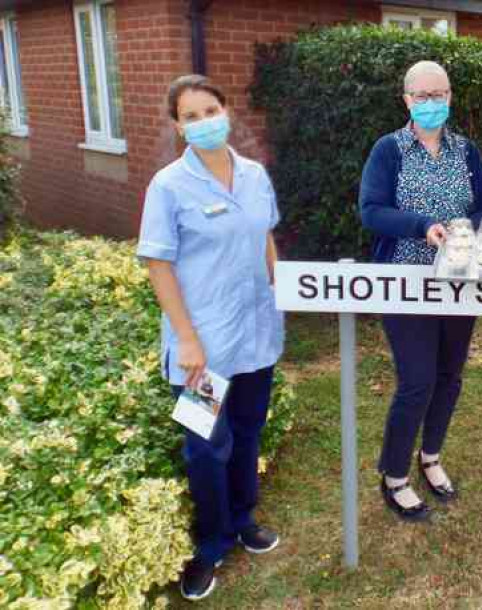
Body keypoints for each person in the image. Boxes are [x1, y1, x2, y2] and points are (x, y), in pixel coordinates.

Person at [137, 74, 285, 600]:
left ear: (227, 111)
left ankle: (243, 521)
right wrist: (187, 339)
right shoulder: (169, 186)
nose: (203, 122)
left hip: (255, 335)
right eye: (191, 116)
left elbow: (265, 236)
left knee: (247, 430)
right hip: (203, 347)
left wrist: (281, 288)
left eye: (210, 110)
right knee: (205, 446)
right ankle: (209, 546)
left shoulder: (253, 175)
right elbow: (158, 263)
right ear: (178, 126)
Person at [359, 60, 482, 522]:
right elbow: (371, 211)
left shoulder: (466, 151)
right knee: (416, 381)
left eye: (439, 95)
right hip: (405, 282)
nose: (432, 103)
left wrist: (463, 227)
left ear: (450, 98)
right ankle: (395, 475)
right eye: (423, 96)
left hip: (460, 281)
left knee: (449, 377)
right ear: (407, 100)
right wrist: (422, 227)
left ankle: (431, 457)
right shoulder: (388, 150)